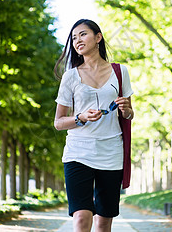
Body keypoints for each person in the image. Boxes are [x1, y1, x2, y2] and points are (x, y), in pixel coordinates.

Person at [54, 19, 134, 232]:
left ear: (98, 37)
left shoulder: (120, 72)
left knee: (104, 220)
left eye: (82, 34)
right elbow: (59, 122)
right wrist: (80, 117)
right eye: (73, 37)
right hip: (78, 151)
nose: (77, 40)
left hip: (111, 153)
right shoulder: (70, 76)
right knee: (81, 216)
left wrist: (126, 110)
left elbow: (129, 113)